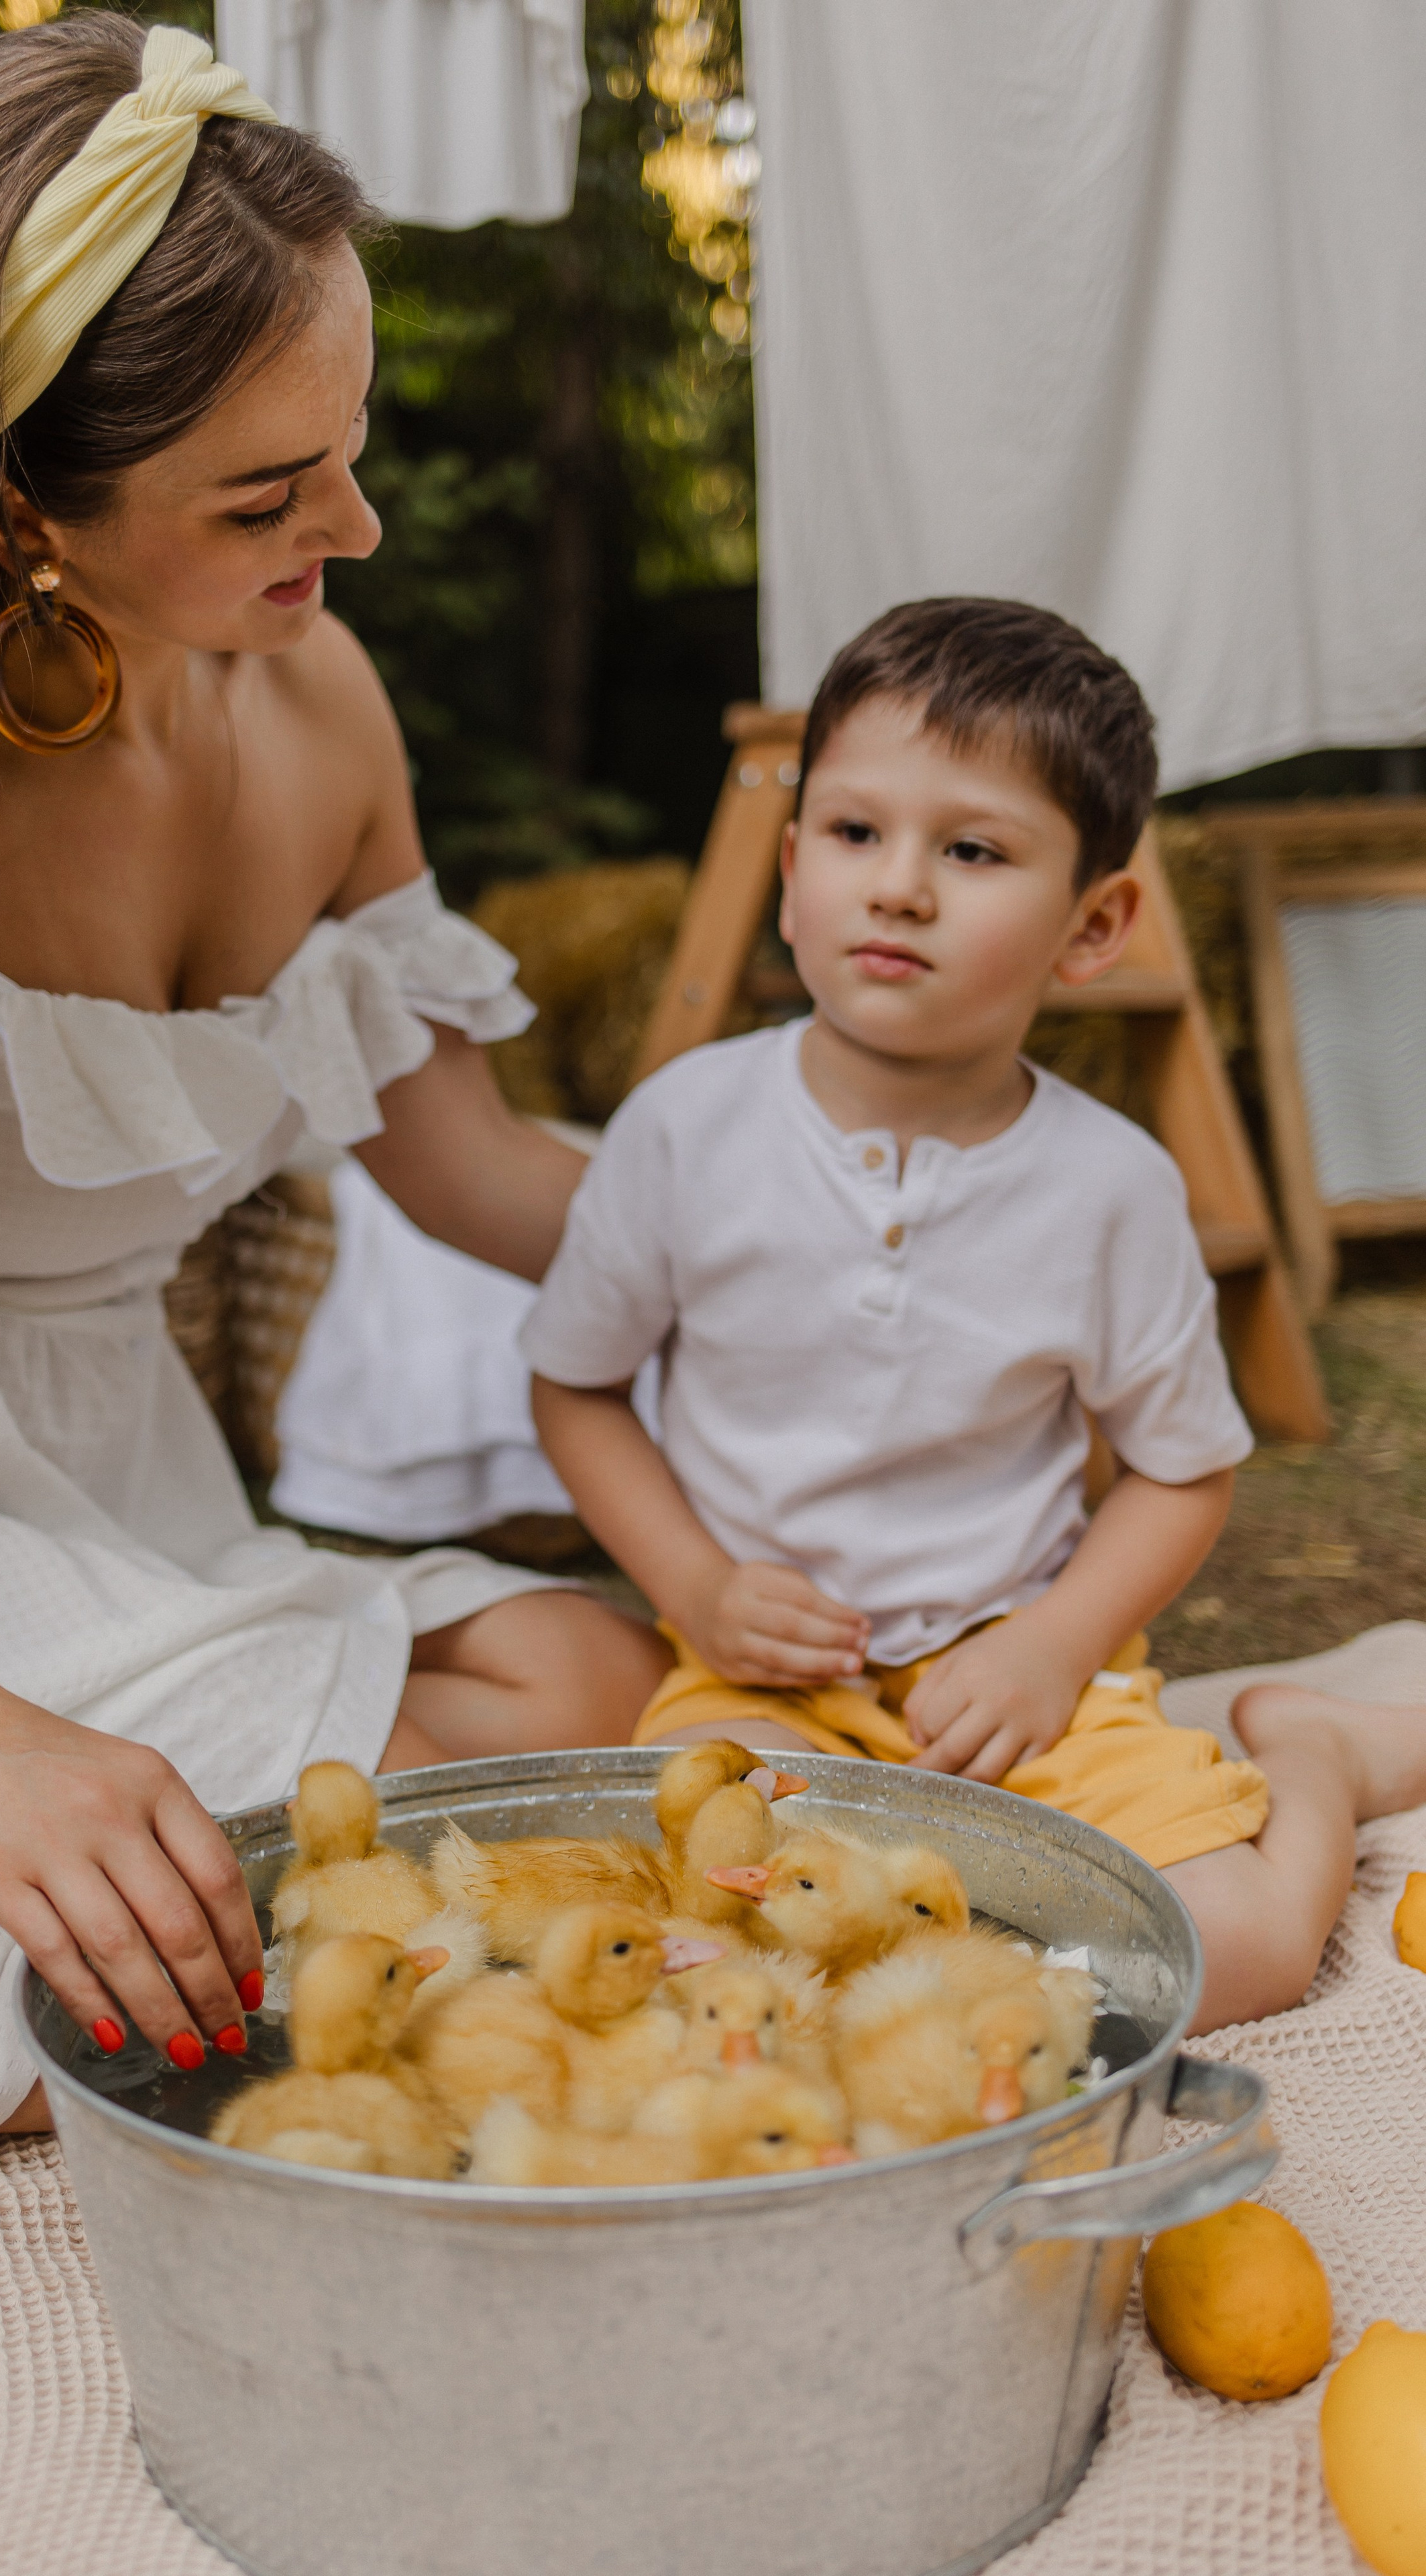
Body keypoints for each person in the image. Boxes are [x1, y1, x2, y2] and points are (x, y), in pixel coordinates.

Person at [0, 20, 664, 2223]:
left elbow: (478, 1174)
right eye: (265, 495)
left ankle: (129, 1998)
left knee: (584, 1674)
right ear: (3, 506)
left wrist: (868, 1251)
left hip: (121, 1486)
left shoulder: (317, 698)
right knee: (221, 1859)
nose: (358, 525)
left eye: (342, 446)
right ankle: (44, 1999)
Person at [524, 597, 1426, 2036]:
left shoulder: (1110, 1188)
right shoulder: (682, 1130)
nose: (897, 887)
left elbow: (1183, 1468)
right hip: (768, 1690)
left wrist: (1054, 1646)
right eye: (853, 833)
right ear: (786, 871)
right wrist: (693, 1587)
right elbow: (574, 1389)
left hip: (1027, 1682)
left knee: (1227, 1959)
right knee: (729, 1948)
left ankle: (1313, 1756)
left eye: (970, 850)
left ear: (1094, 926)